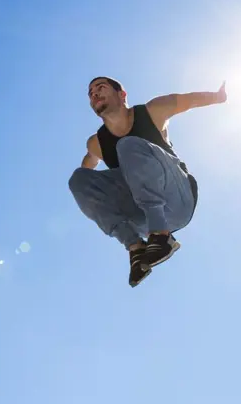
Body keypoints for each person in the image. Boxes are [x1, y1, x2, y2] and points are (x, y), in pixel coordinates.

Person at [69, 77, 227, 287]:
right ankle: (135, 248)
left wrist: (218, 97)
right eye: (90, 93)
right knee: (77, 178)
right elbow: (88, 167)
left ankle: (162, 237)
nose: (94, 94)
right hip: (141, 218)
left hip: (177, 200)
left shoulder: (153, 111)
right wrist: (88, 197)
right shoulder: (96, 143)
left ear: (122, 94)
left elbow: (188, 101)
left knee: (127, 146)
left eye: (100, 88)